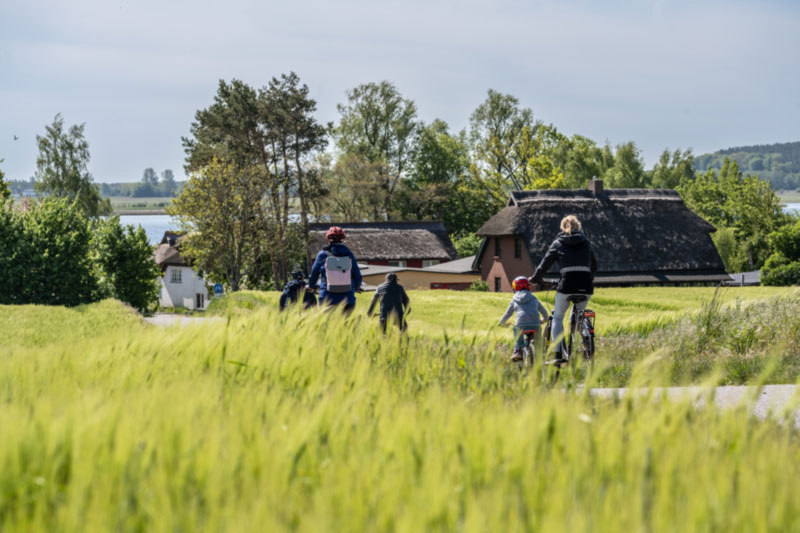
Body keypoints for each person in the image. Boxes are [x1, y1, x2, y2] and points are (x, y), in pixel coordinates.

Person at [529, 215, 597, 364]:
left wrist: (534, 279)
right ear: (578, 227)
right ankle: (584, 337)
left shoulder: (558, 243)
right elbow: (595, 265)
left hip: (567, 284)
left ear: (562, 227)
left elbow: (544, 264)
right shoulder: (586, 242)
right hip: (585, 285)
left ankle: (557, 352)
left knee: (558, 317)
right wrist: (588, 278)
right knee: (580, 314)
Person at [307, 226, 363, 313]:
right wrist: (356, 288)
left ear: (328, 239)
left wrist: (310, 286)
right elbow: (357, 276)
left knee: (327, 325)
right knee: (346, 325)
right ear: (343, 239)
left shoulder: (322, 255)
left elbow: (314, 274)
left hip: (326, 299)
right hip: (348, 300)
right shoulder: (349, 255)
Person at [498, 276, 549, 362]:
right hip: (535, 323)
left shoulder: (514, 299)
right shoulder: (533, 298)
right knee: (538, 340)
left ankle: (517, 351)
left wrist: (502, 322)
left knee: (517, 332)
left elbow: (508, 313)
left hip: (521, 324)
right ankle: (540, 353)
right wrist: (545, 319)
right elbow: (543, 311)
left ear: (516, 288)